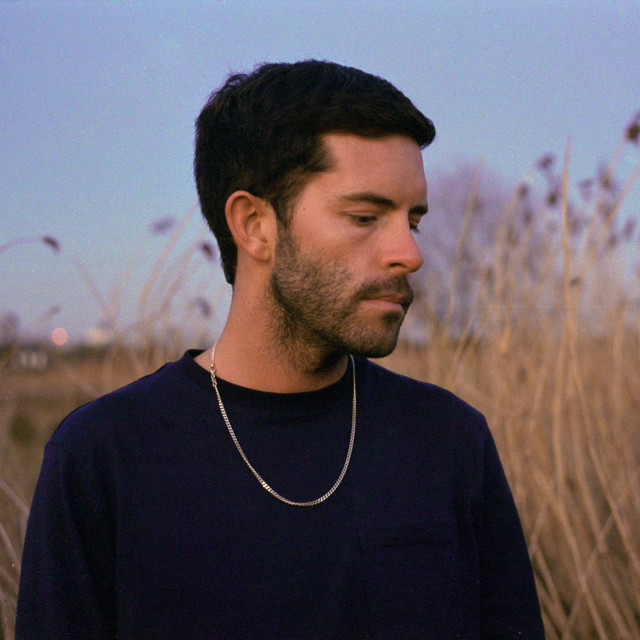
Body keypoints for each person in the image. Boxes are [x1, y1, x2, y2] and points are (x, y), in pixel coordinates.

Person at [16, 60, 545, 639]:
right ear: (254, 225)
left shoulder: (449, 442)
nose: (410, 254)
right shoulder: (103, 457)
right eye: (365, 217)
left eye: (412, 221)